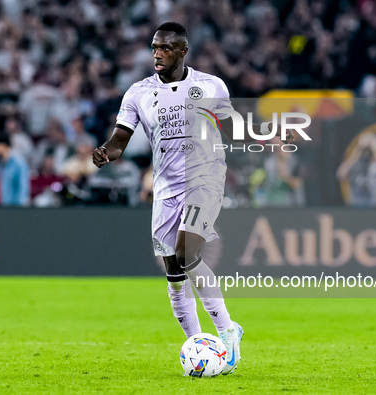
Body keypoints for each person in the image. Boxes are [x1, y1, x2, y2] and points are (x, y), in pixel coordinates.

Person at [92, 22, 248, 375]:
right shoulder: (137, 93)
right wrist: (106, 152)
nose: (157, 54)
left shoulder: (210, 85)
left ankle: (227, 331)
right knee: (173, 272)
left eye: (165, 48)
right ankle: (199, 346)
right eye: (154, 47)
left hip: (205, 180)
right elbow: (120, 139)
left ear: (182, 51)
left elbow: (233, 124)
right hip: (166, 188)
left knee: (187, 253)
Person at [336, 132, 376, 208]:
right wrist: (354, 156)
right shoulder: (354, 162)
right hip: (356, 205)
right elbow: (340, 175)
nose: (367, 151)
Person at [0, 134, 30, 207]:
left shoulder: (19, 164)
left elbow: (23, 188)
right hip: (2, 207)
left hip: (15, 208)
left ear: (3, 146)